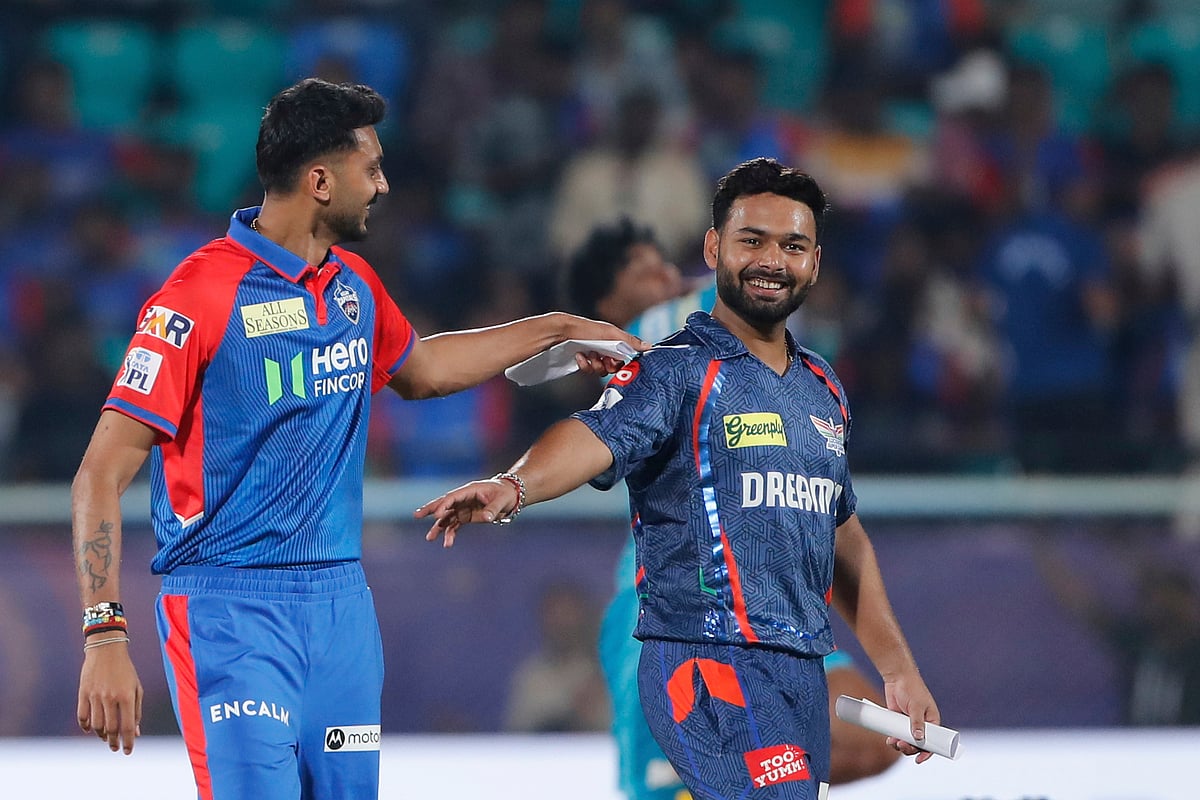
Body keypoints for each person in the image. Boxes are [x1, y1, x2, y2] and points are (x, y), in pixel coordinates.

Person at [70, 77, 645, 800]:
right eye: (369, 168)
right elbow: (99, 473)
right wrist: (104, 635)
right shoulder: (195, 297)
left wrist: (558, 328)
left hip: (341, 609)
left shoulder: (352, 287)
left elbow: (425, 370)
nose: (383, 184)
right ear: (318, 180)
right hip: (230, 613)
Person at [417, 157, 940, 799]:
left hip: (797, 667)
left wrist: (899, 669)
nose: (773, 260)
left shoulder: (823, 390)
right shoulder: (676, 369)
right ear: (714, 248)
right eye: (752, 240)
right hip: (705, 659)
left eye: (792, 246)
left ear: (816, 262)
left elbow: (843, 535)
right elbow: (592, 436)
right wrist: (515, 485)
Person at [564, 217, 900, 798]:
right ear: (604, 306)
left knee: (874, 737)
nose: (669, 278)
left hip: (775, 601)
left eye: (670, 265)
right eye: (648, 270)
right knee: (665, 784)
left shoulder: (720, 338)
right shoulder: (657, 336)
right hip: (672, 609)